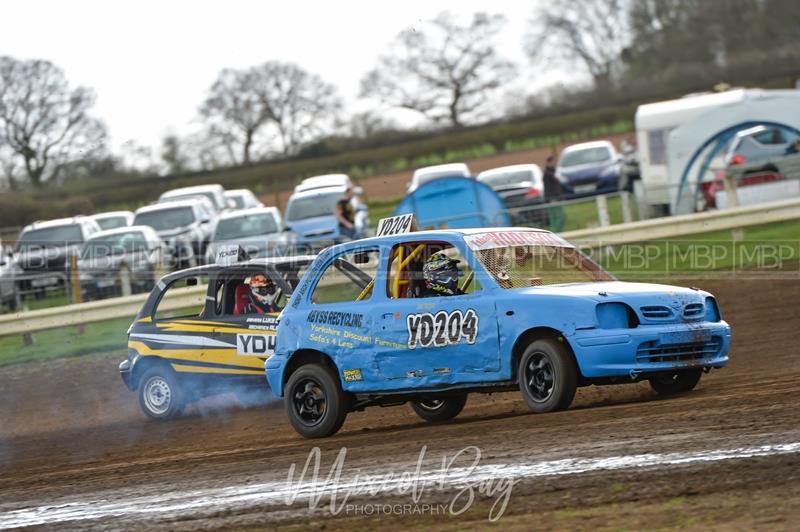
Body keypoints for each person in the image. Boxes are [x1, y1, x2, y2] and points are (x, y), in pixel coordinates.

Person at [542, 155, 566, 232]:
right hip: (552, 199)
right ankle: (556, 232)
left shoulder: (553, 172)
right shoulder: (548, 174)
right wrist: (551, 199)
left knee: (560, 217)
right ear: (549, 162)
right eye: (554, 162)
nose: (555, 163)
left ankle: (558, 232)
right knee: (556, 217)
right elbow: (548, 188)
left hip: (556, 198)